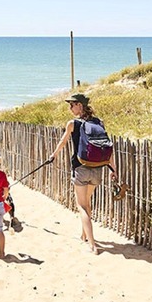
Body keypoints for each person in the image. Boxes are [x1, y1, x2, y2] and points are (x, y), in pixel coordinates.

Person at [50, 92, 117, 255]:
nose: (70, 108)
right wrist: (114, 169)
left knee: (82, 206)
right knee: (87, 203)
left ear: (80, 105)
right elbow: (108, 147)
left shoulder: (73, 123)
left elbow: (63, 142)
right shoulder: (99, 122)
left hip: (80, 169)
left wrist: (53, 155)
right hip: (97, 169)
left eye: (72, 105)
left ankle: (92, 244)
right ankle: (84, 235)